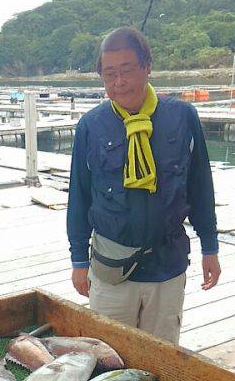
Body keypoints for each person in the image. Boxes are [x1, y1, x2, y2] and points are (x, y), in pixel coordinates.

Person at [67, 26, 220, 344]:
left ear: (147, 67)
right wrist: (79, 261)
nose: (119, 83)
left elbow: (200, 188)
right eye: (109, 74)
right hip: (111, 269)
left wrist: (210, 248)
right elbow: (79, 198)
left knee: (161, 362)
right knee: (107, 357)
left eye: (127, 70)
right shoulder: (90, 126)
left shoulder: (182, 117)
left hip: (167, 267)